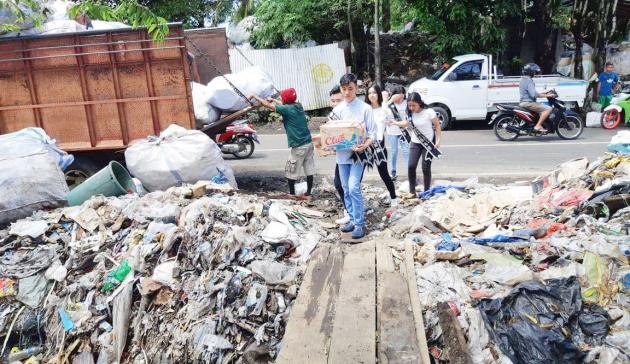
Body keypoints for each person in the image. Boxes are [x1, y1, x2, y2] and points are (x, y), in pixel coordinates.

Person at [332, 73, 376, 239]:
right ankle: (351, 218)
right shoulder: (337, 110)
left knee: (353, 187)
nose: (347, 92)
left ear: (356, 88)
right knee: (345, 188)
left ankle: (359, 223)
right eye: (344, 89)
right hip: (341, 156)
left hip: (358, 156)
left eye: (350, 89)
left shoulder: (365, 108)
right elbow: (331, 133)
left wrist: (364, 145)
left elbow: (373, 133)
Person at [251, 88, 315, 196]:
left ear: (285, 99)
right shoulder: (298, 106)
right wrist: (274, 100)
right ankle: (308, 192)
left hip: (299, 146)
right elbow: (283, 105)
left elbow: (267, 105)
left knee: (291, 170)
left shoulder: (287, 109)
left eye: (282, 97)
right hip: (309, 143)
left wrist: (254, 95)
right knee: (309, 168)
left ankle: (292, 195)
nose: (281, 99)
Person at [391, 92, 441, 196]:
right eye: (409, 105)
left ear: (419, 103)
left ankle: (426, 191)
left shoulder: (429, 112)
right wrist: (395, 123)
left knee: (425, 167)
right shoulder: (410, 113)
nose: (411, 107)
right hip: (415, 142)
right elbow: (406, 123)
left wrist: (438, 140)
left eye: (414, 105)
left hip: (428, 143)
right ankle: (412, 191)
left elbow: (437, 125)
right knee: (411, 166)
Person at [365, 84, 398, 206]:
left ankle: (394, 198)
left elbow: (391, 123)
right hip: (366, 146)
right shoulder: (364, 109)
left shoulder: (385, 109)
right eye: (369, 93)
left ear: (378, 93)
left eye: (374, 92)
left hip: (379, 145)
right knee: (358, 174)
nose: (371, 95)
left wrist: (385, 102)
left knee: (384, 173)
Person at [329, 85, 352, 225]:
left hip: (355, 156)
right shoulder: (332, 116)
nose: (335, 104)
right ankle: (349, 211)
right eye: (333, 101)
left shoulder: (349, 114)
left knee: (350, 186)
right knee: (340, 184)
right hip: (341, 157)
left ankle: (353, 215)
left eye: (338, 100)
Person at [519, 63, 554, 133]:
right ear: (530, 72)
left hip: (524, 102)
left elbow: (532, 93)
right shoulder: (529, 80)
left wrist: (545, 93)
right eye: (534, 72)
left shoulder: (523, 79)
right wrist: (548, 95)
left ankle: (538, 124)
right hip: (528, 103)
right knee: (548, 109)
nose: (535, 73)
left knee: (541, 106)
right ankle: (538, 126)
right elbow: (534, 95)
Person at [386, 85, 410, 180]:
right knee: (394, 152)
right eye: (398, 97)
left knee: (406, 151)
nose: (400, 99)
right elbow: (383, 114)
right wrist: (391, 100)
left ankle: (410, 172)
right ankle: (393, 171)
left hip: (403, 131)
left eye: (402, 97)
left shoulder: (407, 102)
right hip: (392, 131)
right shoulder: (389, 103)